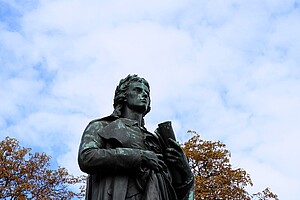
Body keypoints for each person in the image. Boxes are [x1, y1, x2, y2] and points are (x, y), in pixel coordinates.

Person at [78, 74, 194, 200]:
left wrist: (185, 170)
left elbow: (177, 194)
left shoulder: (156, 141)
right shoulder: (101, 126)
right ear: (124, 96)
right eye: (138, 90)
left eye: (147, 93)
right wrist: (140, 157)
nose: (144, 95)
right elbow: (87, 157)